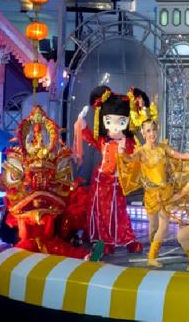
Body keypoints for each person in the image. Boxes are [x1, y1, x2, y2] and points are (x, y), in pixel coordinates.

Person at [118, 98, 189, 267]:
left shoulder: (163, 148)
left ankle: (152, 257)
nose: (152, 133)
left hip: (165, 192)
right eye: (148, 131)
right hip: (151, 195)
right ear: (143, 132)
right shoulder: (141, 152)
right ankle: (152, 247)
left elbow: (181, 156)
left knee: (164, 226)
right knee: (153, 227)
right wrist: (121, 153)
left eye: (154, 130)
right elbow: (129, 159)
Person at [73, 86, 143, 254]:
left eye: (121, 123)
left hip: (118, 182)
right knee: (101, 211)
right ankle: (103, 240)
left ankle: (125, 238)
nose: (115, 128)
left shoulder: (130, 143)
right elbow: (88, 136)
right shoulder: (104, 141)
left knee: (119, 211)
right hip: (101, 181)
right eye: (110, 122)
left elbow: (137, 160)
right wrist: (82, 123)